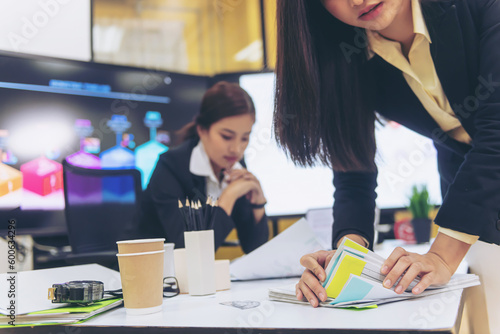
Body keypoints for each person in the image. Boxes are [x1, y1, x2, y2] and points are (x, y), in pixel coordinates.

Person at [274, 0, 500, 331]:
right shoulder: (351, 55)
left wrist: (440, 256)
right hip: (476, 199)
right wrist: (344, 261)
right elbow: (354, 171)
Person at [137, 81, 269, 253]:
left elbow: (254, 249)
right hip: (147, 270)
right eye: (227, 136)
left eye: (245, 138)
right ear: (202, 130)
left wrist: (258, 204)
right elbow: (189, 249)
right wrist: (228, 197)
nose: (237, 149)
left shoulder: (233, 164)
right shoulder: (171, 166)